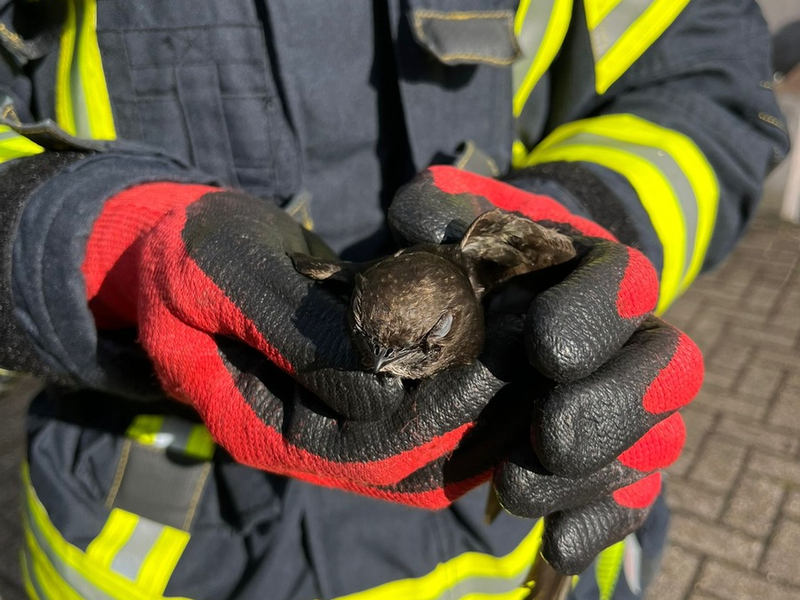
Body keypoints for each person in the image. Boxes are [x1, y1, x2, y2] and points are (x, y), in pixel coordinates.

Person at [0, 1, 787, 599]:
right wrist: (95, 244)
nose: (382, 371)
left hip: (501, 549)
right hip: (159, 544)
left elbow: (705, 76)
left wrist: (576, 233)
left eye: (420, 346)